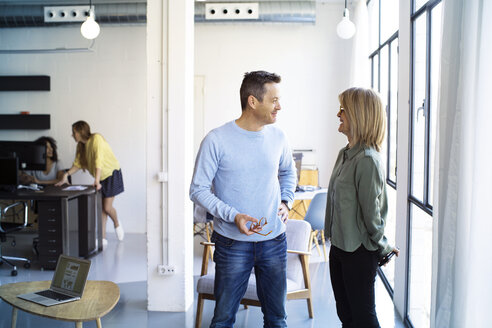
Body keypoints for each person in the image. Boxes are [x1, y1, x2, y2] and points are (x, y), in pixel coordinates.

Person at [190, 71, 297, 328]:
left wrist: (286, 200)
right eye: (273, 100)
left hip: (274, 241)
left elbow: (288, 171)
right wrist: (233, 215)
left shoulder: (279, 137)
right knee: (223, 318)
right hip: (231, 244)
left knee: (277, 318)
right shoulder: (216, 139)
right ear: (252, 101)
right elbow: (198, 189)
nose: (279, 106)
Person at [325, 87, 399, 328]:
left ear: (359, 115)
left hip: (358, 253)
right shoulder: (344, 154)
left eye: (343, 109)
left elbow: (372, 215)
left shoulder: (367, 160)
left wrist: (384, 246)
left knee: (364, 319)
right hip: (338, 247)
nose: (338, 114)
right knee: (346, 315)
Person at [56, 121, 124, 247]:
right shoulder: (81, 146)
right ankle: (102, 238)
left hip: (111, 173)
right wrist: (66, 175)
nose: (72, 135)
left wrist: (96, 180)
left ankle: (117, 223)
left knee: (107, 207)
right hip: (100, 176)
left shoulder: (96, 139)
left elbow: (99, 160)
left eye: (74, 132)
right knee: (102, 209)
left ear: (80, 132)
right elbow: (78, 164)